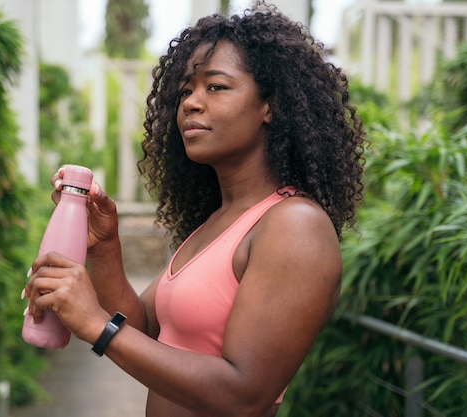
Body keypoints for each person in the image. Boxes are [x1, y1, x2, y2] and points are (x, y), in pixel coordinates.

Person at [24, 1, 366, 416]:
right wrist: (104, 245)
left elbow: (244, 393)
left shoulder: (294, 226)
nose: (190, 103)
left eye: (215, 87)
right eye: (186, 90)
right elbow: (146, 333)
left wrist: (95, 324)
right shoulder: (220, 222)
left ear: (270, 106)